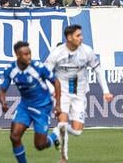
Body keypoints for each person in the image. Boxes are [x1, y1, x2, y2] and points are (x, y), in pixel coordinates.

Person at [44, 25, 113, 162]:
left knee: (77, 131)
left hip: (79, 94)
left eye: (81, 35)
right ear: (69, 37)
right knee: (62, 121)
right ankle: (63, 158)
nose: (81, 38)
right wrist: (52, 91)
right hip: (62, 94)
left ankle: (56, 133)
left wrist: (106, 91)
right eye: (78, 35)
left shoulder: (87, 51)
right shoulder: (57, 53)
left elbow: (98, 70)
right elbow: (44, 73)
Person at [0, 41, 61, 163]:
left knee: (40, 145)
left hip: (42, 107)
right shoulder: (10, 70)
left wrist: (58, 104)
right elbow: (2, 90)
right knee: (14, 137)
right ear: (17, 55)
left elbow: (56, 82)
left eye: (30, 53)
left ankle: (54, 135)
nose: (29, 56)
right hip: (25, 107)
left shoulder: (38, 67)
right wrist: (3, 102)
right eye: (25, 54)